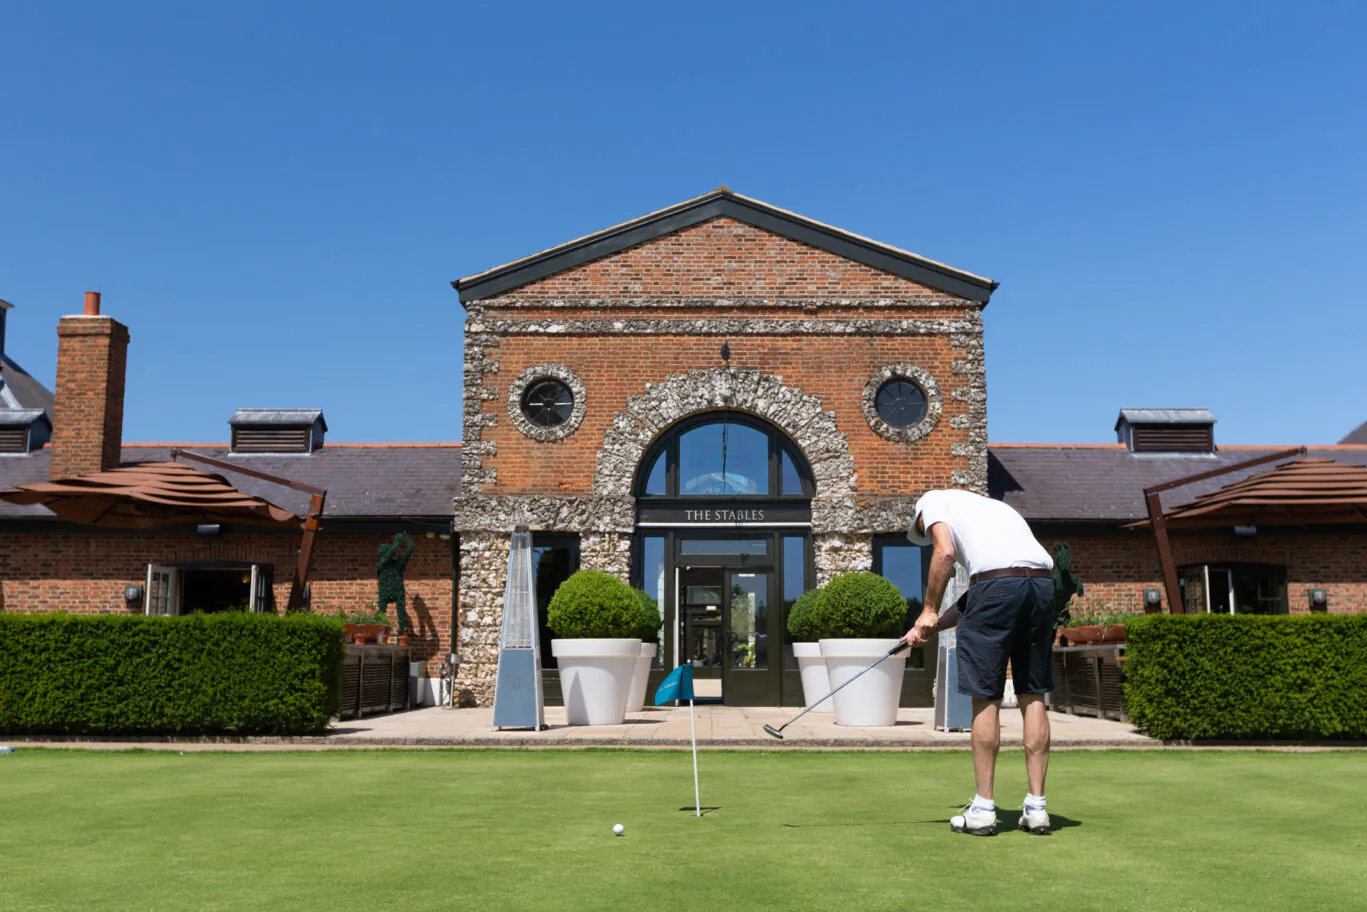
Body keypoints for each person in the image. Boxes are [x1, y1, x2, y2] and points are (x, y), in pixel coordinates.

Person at [904, 488, 1056, 836]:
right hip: (1042, 587)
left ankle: (984, 809)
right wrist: (927, 626)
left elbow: (945, 552)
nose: (927, 536)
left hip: (999, 587)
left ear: (920, 520)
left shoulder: (931, 502)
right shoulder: (991, 511)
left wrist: (927, 609)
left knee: (985, 695)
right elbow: (984, 592)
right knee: (1033, 693)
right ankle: (1037, 809)